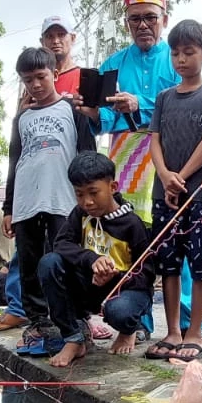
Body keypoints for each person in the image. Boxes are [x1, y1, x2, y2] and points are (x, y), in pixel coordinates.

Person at [146, 19, 202, 361]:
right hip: (163, 192)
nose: (181, 59)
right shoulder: (164, 98)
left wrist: (180, 176)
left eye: (189, 52)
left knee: (201, 263)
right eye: (176, 53)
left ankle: (195, 331)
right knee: (168, 263)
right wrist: (165, 175)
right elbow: (154, 141)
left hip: (198, 195)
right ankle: (171, 331)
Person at [4, 47, 96, 358]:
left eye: (41, 77)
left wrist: (89, 200)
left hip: (63, 200)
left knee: (66, 261)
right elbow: (14, 161)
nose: (36, 85)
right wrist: (7, 207)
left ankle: (76, 321)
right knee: (29, 262)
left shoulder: (72, 112)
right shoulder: (22, 119)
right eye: (28, 80)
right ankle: (38, 323)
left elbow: (87, 155)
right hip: (27, 201)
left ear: (54, 74)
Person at [42, 151, 156, 367]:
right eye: (79, 194)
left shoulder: (132, 224)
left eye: (94, 192)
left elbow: (147, 274)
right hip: (91, 289)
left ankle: (129, 328)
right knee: (49, 263)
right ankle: (74, 338)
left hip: (124, 290)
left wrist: (115, 277)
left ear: (112, 188)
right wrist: (91, 259)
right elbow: (61, 244)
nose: (87, 202)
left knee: (120, 312)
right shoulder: (80, 215)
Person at [86, 0, 182, 226]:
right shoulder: (112, 64)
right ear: (126, 23)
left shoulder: (178, 59)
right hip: (124, 154)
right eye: (135, 18)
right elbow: (106, 119)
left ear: (165, 19)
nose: (142, 25)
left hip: (168, 152)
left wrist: (140, 103)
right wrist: (94, 113)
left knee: (169, 229)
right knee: (127, 227)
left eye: (150, 17)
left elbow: (185, 104)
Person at [41, 12, 84, 98]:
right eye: (49, 36)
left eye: (61, 35)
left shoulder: (84, 78)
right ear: (42, 42)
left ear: (73, 38)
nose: (56, 41)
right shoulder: (37, 80)